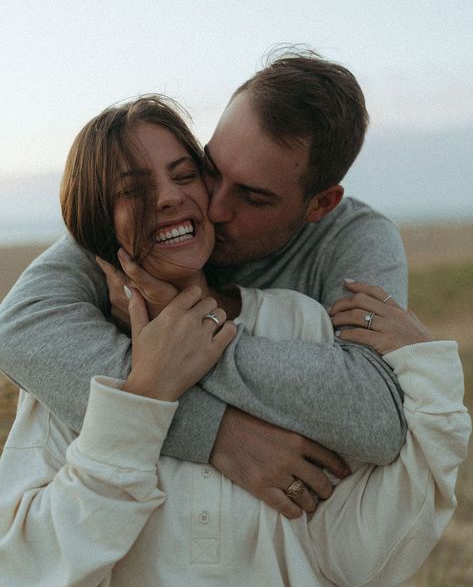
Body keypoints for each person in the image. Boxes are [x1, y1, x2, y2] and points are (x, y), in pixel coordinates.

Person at [0, 96, 469, 587]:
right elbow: (37, 585)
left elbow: (358, 557)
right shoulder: (74, 362)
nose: (172, 196)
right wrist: (147, 402)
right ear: (95, 222)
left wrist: (435, 389)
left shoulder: (298, 323)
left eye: (184, 174)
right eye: (132, 188)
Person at [0, 48, 409, 516]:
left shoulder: (353, 240)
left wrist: (185, 332)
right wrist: (217, 434)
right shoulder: (151, 223)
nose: (213, 208)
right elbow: (20, 330)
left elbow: (377, 416)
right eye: (209, 169)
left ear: (320, 205)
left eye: (253, 197)